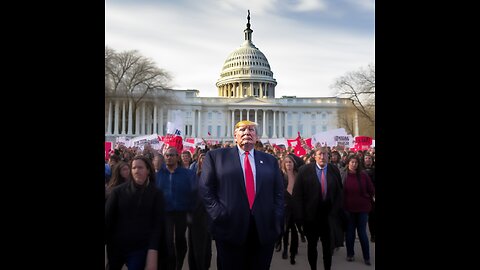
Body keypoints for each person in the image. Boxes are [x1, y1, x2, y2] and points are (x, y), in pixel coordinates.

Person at [200, 120, 284, 270]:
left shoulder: (270, 160)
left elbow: (278, 192)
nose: (247, 133)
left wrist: (276, 216)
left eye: (251, 130)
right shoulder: (216, 157)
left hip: (263, 230)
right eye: (242, 130)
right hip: (229, 228)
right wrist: (219, 214)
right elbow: (206, 189)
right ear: (235, 135)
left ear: (256, 136)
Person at [105, 156, 166, 270]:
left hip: (139, 248)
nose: (137, 171)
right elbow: (107, 220)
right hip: (116, 247)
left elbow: (157, 225)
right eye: (134, 168)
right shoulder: (117, 192)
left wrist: (153, 250)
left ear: (148, 170)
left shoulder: (156, 194)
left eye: (140, 167)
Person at [292, 147, 344, 270]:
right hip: (311, 217)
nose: (322, 157)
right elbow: (297, 195)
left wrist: (336, 211)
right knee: (312, 246)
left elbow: (339, 192)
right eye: (320, 154)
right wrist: (300, 217)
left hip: (328, 216)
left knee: (328, 247)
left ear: (328, 156)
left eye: (325, 154)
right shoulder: (304, 170)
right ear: (314, 156)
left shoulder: (334, 170)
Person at [156, 147, 196, 270]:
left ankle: (179, 263)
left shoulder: (187, 173)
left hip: (182, 211)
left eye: (172, 155)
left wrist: (191, 210)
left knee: (179, 238)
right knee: (168, 240)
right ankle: (171, 264)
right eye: (167, 155)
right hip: (166, 212)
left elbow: (194, 191)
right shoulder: (159, 175)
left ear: (177, 157)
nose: (169, 157)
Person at [341, 155, 375, 265]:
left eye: (355, 162)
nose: (354, 164)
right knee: (350, 233)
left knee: (362, 233)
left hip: (362, 209)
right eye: (352, 162)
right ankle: (350, 254)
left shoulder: (363, 175)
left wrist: (368, 200)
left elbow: (371, 190)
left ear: (358, 164)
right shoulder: (344, 175)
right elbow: (340, 191)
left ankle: (367, 257)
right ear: (348, 163)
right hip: (348, 209)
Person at [187, 152, 212, 270]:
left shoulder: (214, 176)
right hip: (195, 215)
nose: (203, 160)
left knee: (205, 246)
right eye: (202, 158)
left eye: (206, 158)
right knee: (194, 245)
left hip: (207, 215)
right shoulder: (193, 176)